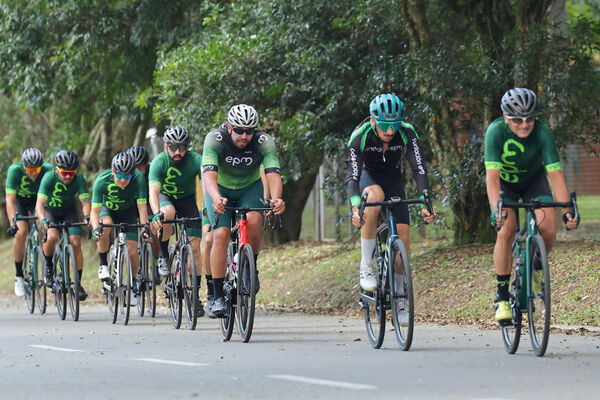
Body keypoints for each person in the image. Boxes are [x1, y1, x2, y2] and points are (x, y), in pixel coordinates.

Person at [484, 87, 579, 323]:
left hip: (534, 181)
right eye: (517, 119)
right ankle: (502, 297)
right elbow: (492, 178)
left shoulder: (543, 133)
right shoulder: (495, 132)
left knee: (548, 229)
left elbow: (555, 175)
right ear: (506, 117)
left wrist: (567, 212)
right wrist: (497, 208)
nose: (525, 124)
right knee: (505, 231)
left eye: (530, 119)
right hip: (505, 184)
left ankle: (535, 263)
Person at [345, 93, 435, 298]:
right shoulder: (361, 135)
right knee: (374, 196)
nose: (391, 130)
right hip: (368, 177)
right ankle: (366, 265)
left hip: (393, 179)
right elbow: (353, 174)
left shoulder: (407, 132)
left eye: (395, 124)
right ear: (374, 120)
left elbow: (419, 167)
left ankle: (400, 295)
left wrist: (425, 201)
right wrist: (356, 206)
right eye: (385, 125)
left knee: (403, 245)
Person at [203, 104, 285, 317]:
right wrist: (215, 197)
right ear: (229, 128)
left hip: (250, 186)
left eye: (249, 131)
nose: (245, 136)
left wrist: (276, 199)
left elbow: (273, 174)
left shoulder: (264, 142)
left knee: (255, 219)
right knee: (220, 234)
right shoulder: (215, 139)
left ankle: (250, 267)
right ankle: (218, 296)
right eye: (239, 130)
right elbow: (208, 176)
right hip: (220, 188)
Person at [148, 127, 205, 316]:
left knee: (195, 249)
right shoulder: (159, 162)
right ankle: (164, 256)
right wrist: (156, 213)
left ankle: (195, 296)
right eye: (173, 147)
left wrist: (206, 208)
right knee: (167, 213)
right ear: (166, 147)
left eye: (182, 147)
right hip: (167, 199)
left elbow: (206, 184)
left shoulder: (196, 160)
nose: (178, 152)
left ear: (187, 147)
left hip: (188, 201)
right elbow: (154, 192)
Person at [92, 152, 149, 305]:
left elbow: (142, 206)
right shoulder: (102, 181)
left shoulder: (138, 178)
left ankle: (132, 283)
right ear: (112, 172)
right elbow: (94, 212)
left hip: (128, 212)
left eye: (127, 177)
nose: (123, 180)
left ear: (132, 174)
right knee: (104, 228)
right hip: (108, 209)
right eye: (119, 176)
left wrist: (145, 228)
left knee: (132, 252)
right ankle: (103, 265)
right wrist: (95, 228)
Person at [36, 150, 91, 301]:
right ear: (57, 170)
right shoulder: (49, 177)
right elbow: (39, 204)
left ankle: (78, 284)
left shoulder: (78, 178)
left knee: (76, 243)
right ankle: (48, 265)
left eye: (71, 173)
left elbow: (85, 201)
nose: (68, 176)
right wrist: (42, 220)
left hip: (68, 211)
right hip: (50, 212)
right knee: (52, 236)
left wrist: (87, 216)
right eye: (64, 172)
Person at [5, 148, 54, 296]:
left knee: (42, 226)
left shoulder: (48, 170)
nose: (33, 172)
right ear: (24, 166)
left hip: (37, 201)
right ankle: (19, 275)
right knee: (21, 233)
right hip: (20, 201)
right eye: (30, 169)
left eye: (37, 169)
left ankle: (43, 261)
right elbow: (10, 200)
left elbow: (49, 197)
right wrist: (13, 223)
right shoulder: (15, 170)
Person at [127, 145, 159, 259]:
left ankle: (156, 261)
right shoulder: (126, 173)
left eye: (140, 167)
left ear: (146, 164)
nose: (137, 171)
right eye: (134, 167)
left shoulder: (153, 170)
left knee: (153, 231)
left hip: (148, 203)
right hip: (132, 203)